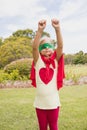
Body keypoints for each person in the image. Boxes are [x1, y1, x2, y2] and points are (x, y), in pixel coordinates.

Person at [30, 18, 65, 130]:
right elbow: (34, 47)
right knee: (42, 127)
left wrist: (57, 29)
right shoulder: (38, 61)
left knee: (54, 127)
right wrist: (40, 31)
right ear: (40, 50)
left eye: (49, 47)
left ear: (52, 49)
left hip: (53, 103)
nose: (46, 49)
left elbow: (60, 46)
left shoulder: (55, 61)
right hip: (40, 104)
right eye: (43, 47)